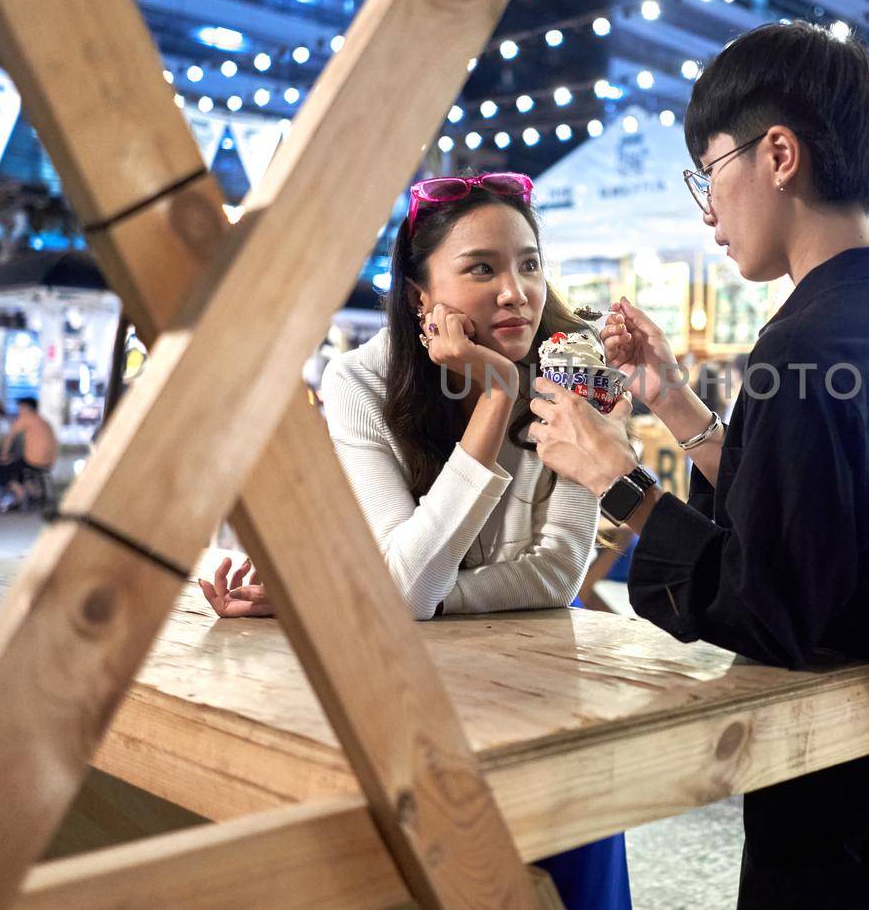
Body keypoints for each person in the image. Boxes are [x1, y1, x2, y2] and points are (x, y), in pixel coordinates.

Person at [525, 22, 869, 909]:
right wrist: (674, 401)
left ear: (780, 154)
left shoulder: (804, 347)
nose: (707, 210)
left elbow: (770, 604)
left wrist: (619, 477)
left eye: (708, 170)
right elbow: (829, 514)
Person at [197, 171, 630, 910]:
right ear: (419, 295)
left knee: (573, 884)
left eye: (529, 263)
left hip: (549, 687)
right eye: (481, 268)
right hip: (409, 694)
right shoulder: (360, 383)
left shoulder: (573, 370)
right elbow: (402, 592)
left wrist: (368, 593)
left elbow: (557, 573)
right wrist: (494, 395)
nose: (515, 291)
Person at [0, 396, 58, 509]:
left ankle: (20, 493)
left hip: (33, 461)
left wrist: (3, 455)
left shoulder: (26, 418)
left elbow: (10, 436)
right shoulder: (43, 420)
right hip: (47, 462)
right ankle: (29, 491)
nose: (18, 410)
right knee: (16, 465)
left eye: (19, 407)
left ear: (25, 407)